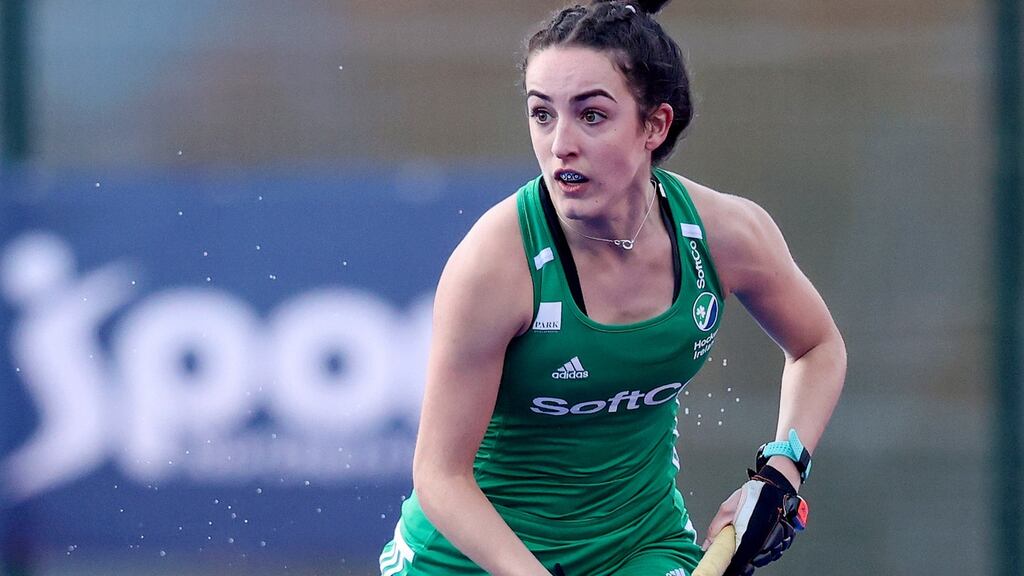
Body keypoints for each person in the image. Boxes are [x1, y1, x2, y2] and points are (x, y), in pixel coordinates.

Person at [378, 1, 846, 574]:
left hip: (638, 545)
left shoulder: (726, 234)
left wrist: (782, 469)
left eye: (592, 115)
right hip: (472, 559)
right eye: (542, 113)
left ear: (655, 125)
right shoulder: (493, 266)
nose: (560, 144)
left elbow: (817, 347)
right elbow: (440, 476)